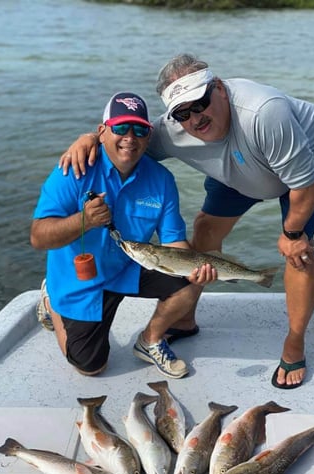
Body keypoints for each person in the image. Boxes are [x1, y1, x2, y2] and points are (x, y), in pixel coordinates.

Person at [58, 54, 314, 389]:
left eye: (200, 103)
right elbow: (125, 143)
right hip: (238, 172)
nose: (195, 118)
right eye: (183, 113)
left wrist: (292, 232)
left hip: (305, 169)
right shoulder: (169, 132)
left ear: (220, 89)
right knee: (205, 228)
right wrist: (87, 139)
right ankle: (184, 318)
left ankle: (294, 341)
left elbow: (304, 184)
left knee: (298, 253)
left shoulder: (264, 112)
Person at [30, 90, 216, 379]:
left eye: (140, 129)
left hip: (129, 265)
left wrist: (196, 268)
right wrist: (84, 220)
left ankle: (150, 340)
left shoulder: (162, 179)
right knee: (91, 367)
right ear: (102, 131)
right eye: (121, 127)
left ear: (148, 135)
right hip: (80, 278)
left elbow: (174, 242)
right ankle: (52, 298)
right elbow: (38, 237)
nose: (130, 136)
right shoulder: (72, 170)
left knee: (190, 281)